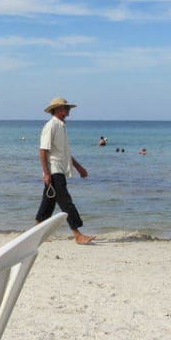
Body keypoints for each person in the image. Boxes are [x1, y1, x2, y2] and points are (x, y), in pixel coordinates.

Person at [35, 97, 95, 245]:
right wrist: (46, 173)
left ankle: (36, 232)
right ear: (57, 109)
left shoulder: (61, 126)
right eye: (66, 108)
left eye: (68, 108)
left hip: (59, 169)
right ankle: (77, 234)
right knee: (66, 202)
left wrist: (78, 167)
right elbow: (43, 151)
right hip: (54, 170)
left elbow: (65, 154)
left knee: (48, 203)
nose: (68, 110)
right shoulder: (51, 126)